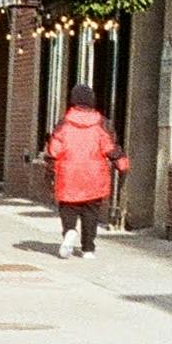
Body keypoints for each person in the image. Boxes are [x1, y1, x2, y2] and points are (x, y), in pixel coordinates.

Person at [45, 83, 123, 258]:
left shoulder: (63, 124)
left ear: (73, 101)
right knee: (91, 213)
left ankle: (70, 232)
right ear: (92, 101)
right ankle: (88, 248)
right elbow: (111, 148)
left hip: (68, 175)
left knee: (68, 208)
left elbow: (53, 151)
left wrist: (49, 169)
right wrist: (122, 163)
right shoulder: (102, 124)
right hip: (94, 177)